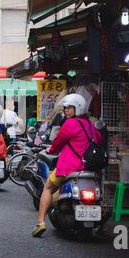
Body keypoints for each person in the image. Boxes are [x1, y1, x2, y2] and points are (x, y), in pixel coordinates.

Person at [32, 94, 103, 237]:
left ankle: (40, 222)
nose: (66, 110)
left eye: (69, 108)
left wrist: (50, 149)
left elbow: (57, 143)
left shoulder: (70, 124)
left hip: (70, 168)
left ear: (78, 108)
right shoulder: (91, 126)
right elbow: (99, 141)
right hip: (89, 170)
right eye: (65, 108)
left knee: (48, 187)